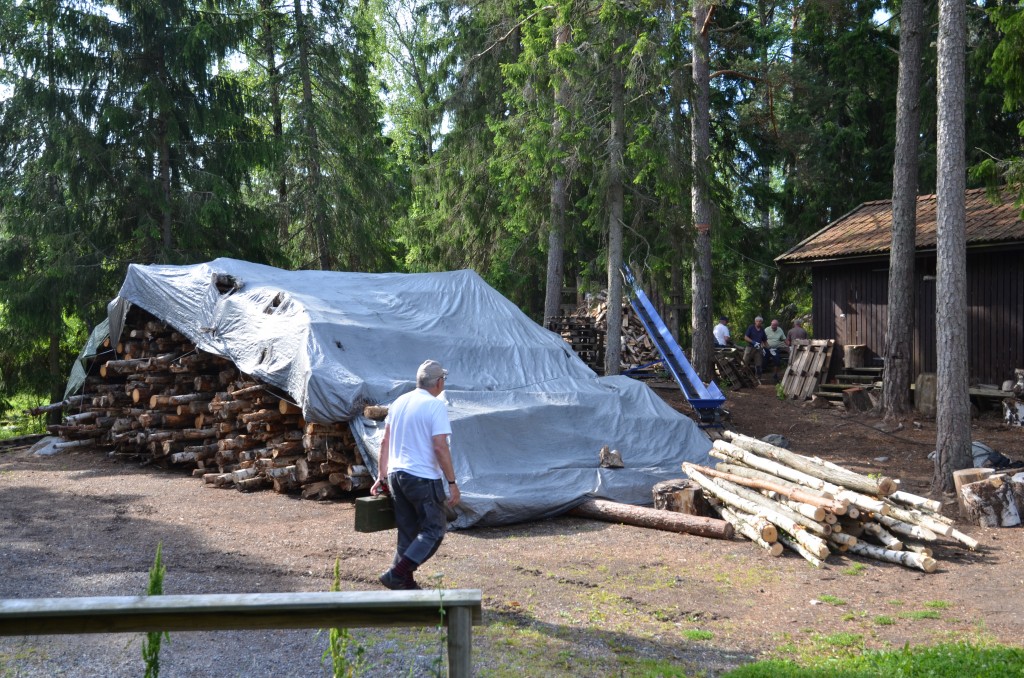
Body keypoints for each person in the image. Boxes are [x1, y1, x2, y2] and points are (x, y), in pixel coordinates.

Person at [372, 360, 460, 590]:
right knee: (434, 530)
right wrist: (452, 482)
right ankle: (396, 573)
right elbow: (440, 446)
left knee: (408, 531)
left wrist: (381, 475)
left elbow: (385, 441)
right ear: (439, 382)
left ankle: (405, 582)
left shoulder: (400, 402)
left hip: (396, 476)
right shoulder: (435, 406)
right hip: (422, 477)